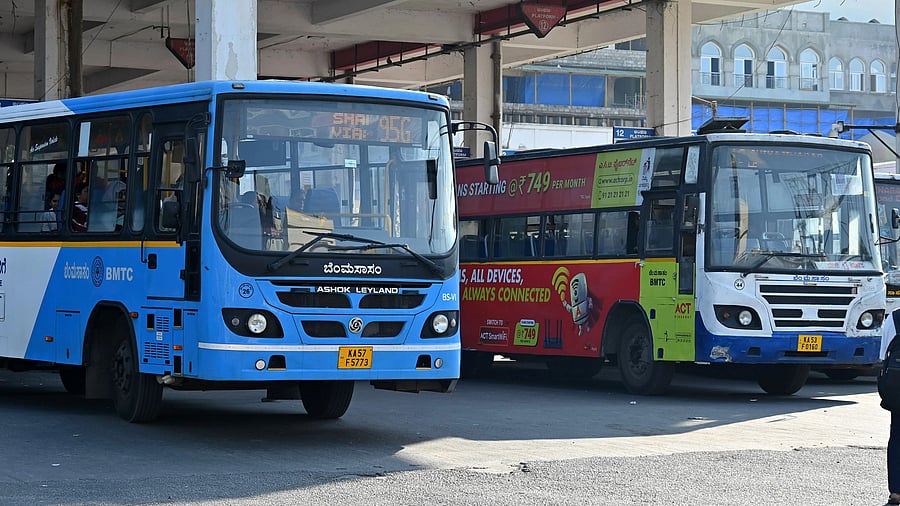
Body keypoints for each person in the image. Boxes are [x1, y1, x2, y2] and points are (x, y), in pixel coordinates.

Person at [883, 310, 900, 505]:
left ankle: (896, 492)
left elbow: (883, 355)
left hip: (898, 387)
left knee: (897, 436)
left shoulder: (894, 318)